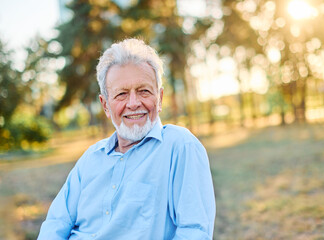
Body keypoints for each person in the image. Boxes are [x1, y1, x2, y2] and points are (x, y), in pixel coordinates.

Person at [37, 38, 216, 240]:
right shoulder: (91, 158)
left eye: (144, 91)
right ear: (105, 105)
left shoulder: (180, 146)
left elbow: (195, 231)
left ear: (160, 98)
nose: (133, 103)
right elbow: (56, 222)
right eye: (121, 94)